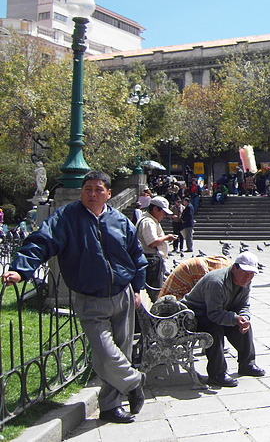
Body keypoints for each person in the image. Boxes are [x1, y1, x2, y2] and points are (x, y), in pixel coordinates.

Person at [2, 171, 147, 424]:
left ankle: (110, 406)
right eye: (88, 189)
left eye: (98, 189)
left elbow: (136, 254)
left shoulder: (120, 221)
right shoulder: (67, 217)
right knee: (104, 351)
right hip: (90, 297)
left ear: (108, 194)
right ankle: (135, 381)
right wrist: (21, 269)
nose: (92, 194)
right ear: (81, 191)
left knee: (121, 352)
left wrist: (137, 287)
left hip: (122, 293)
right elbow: (42, 241)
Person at [182, 252, 265, 387]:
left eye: (251, 274)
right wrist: (234, 318)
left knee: (245, 326)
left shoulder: (246, 282)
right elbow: (213, 314)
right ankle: (217, 373)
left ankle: (247, 364)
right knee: (214, 329)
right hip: (196, 315)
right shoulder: (217, 282)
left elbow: (243, 305)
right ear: (234, 268)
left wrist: (243, 318)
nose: (248, 277)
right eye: (245, 273)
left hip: (221, 312)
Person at [136, 196, 178, 299]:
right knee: (153, 292)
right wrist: (167, 238)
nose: (164, 215)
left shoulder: (151, 220)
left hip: (151, 259)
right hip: (150, 260)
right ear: (155, 209)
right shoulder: (148, 222)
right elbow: (152, 242)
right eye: (163, 212)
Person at [158, 255, 230, 300]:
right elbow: (205, 297)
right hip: (170, 303)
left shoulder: (203, 263)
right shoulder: (200, 269)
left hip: (172, 297)